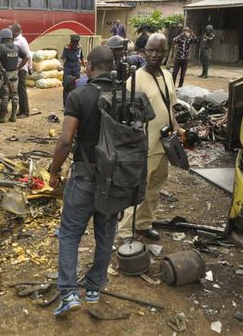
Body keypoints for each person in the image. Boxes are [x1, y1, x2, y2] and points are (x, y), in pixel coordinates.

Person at [49, 46, 118, 317]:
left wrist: (54, 171)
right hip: (115, 180)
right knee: (105, 235)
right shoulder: (127, 95)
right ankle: (93, 288)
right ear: (112, 67)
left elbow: (66, 140)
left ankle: (68, 293)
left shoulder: (79, 96)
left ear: (89, 66)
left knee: (68, 235)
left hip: (85, 175)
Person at [118, 33, 184, 241]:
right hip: (143, 146)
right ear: (143, 52)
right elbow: (125, 116)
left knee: (155, 186)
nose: (155, 55)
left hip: (164, 144)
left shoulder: (167, 75)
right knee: (138, 189)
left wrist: (177, 128)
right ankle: (125, 232)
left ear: (166, 53)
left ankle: (144, 223)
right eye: (151, 50)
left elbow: (170, 106)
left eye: (159, 51)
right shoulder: (134, 80)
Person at [0, 28, 27, 123]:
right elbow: (26, 57)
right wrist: (18, 68)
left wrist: (0, 69)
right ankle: (13, 116)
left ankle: (2, 117)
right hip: (14, 74)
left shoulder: (0, 48)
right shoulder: (16, 47)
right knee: (15, 94)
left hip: (4, 74)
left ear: (2, 38)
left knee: (5, 96)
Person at [12, 24, 31, 118]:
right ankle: (21, 110)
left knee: (21, 90)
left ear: (15, 31)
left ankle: (25, 112)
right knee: (18, 90)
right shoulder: (15, 40)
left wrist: (28, 68)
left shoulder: (22, 41)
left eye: (11, 31)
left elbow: (28, 56)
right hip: (18, 68)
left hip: (21, 69)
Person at [61, 35, 85, 105]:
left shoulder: (79, 48)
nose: (74, 44)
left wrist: (84, 66)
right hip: (68, 68)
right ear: (71, 42)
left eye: (76, 43)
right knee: (67, 86)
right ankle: (66, 103)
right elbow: (63, 58)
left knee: (77, 85)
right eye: (73, 43)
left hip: (76, 68)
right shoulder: (66, 48)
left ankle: (76, 103)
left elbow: (81, 57)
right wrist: (61, 65)